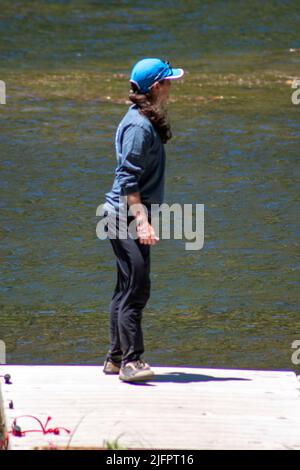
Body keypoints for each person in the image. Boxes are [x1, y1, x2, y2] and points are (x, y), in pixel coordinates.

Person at [102, 58, 184, 382]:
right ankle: (132, 363)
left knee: (127, 287)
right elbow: (127, 179)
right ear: (155, 87)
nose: (171, 87)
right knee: (136, 286)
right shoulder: (138, 126)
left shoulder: (143, 120)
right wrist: (142, 222)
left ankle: (114, 358)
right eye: (168, 81)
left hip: (125, 215)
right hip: (124, 216)